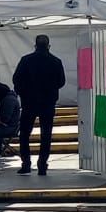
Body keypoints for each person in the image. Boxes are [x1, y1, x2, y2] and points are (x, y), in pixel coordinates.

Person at [12, 34, 67, 176]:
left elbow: (16, 79)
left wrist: (23, 92)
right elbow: (61, 81)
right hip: (48, 103)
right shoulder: (56, 61)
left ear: (35, 46)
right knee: (46, 135)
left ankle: (26, 163)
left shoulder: (26, 60)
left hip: (29, 103)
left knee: (24, 134)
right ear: (49, 46)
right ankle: (42, 164)